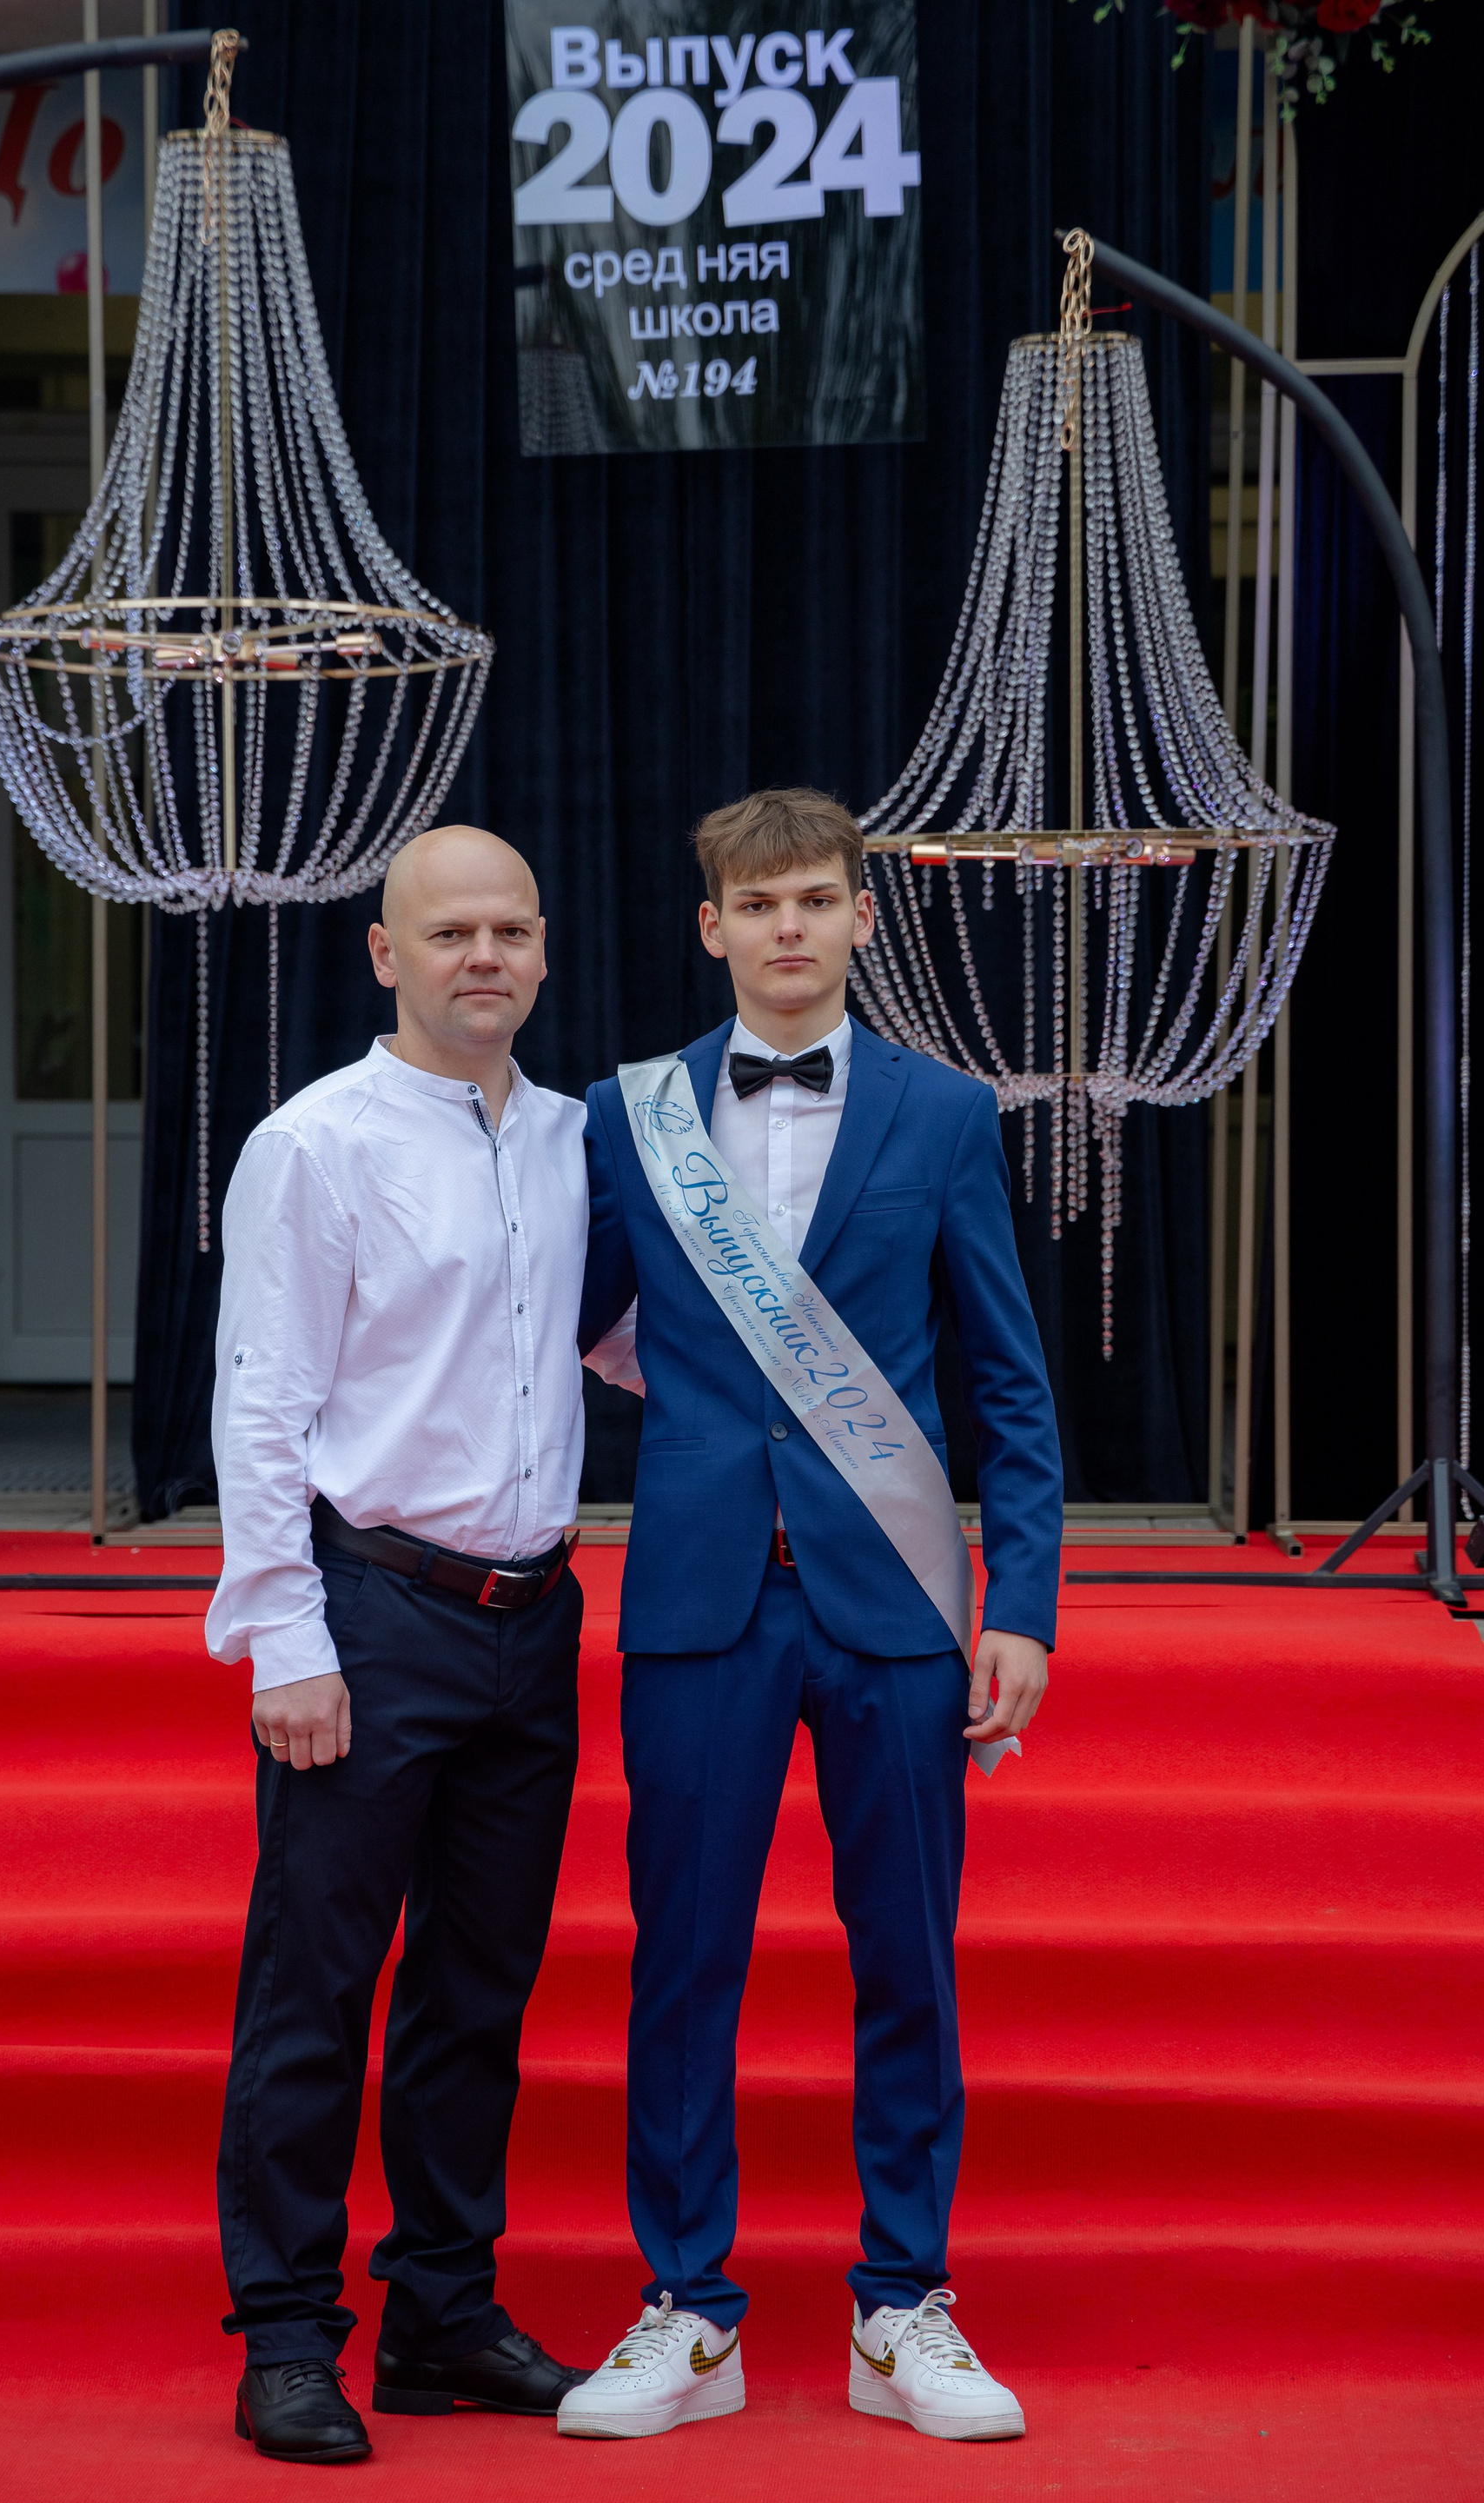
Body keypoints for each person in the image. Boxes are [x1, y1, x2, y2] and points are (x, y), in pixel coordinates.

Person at [560, 787, 1063, 2445]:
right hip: (699, 1599)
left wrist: (1024, 1603)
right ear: (712, 928)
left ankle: (901, 2306)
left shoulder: (948, 1114)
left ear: (860, 915)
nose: (790, 927)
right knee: (683, 1962)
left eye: (817, 900)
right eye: (759, 903)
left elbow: (1008, 1380)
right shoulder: (628, 1117)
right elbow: (562, 1323)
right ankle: (687, 2311)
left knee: (907, 1958)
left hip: (894, 1605)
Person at [206, 824, 593, 2466]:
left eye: (509, 930)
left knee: (477, 1993)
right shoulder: (316, 1144)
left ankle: (442, 2309)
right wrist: (283, 1637)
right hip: (369, 1614)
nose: (482, 956)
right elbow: (262, 1406)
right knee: (315, 1987)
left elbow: (615, 1342)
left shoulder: (580, 1141)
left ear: (545, 950)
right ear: (386, 954)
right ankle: (290, 2335)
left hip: (535, 1620)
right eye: (449, 933)